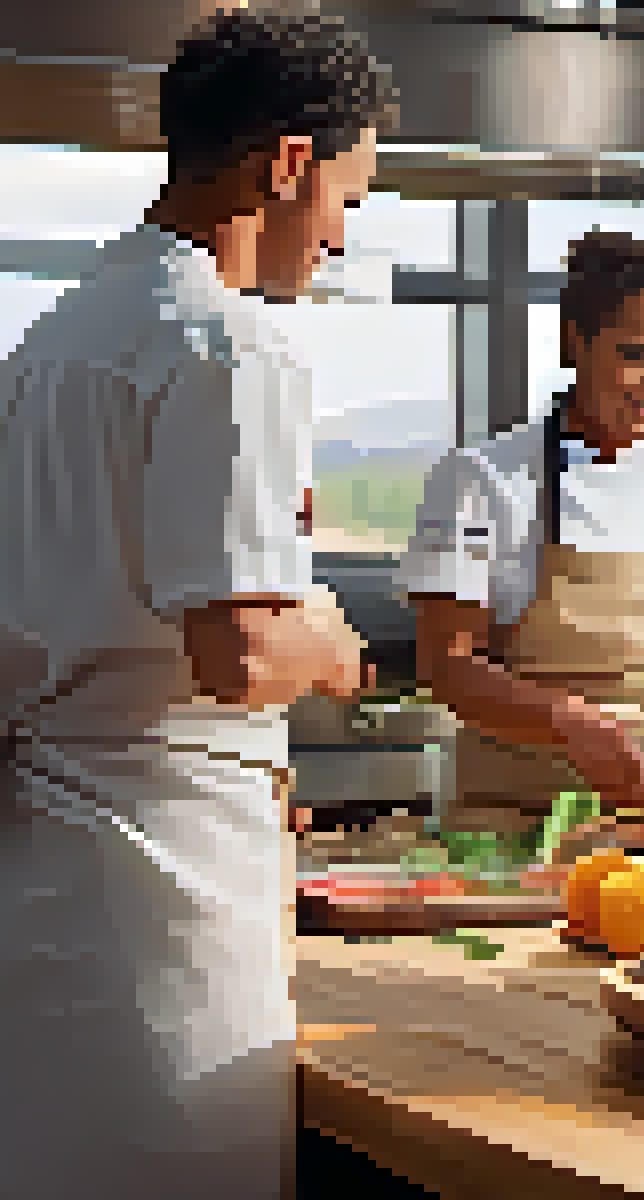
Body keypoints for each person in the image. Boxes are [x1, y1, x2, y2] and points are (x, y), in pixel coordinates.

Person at [0, 12, 387, 1196]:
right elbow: (242, 650)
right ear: (286, 163)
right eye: (345, 201)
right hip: (170, 887)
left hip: (47, 863)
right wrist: (334, 647)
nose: (335, 237)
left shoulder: (50, 343)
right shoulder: (233, 344)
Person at [405, 232, 644, 834]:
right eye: (637, 356)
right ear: (572, 342)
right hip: (515, 825)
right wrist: (580, 727)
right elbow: (449, 671)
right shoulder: (482, 477)